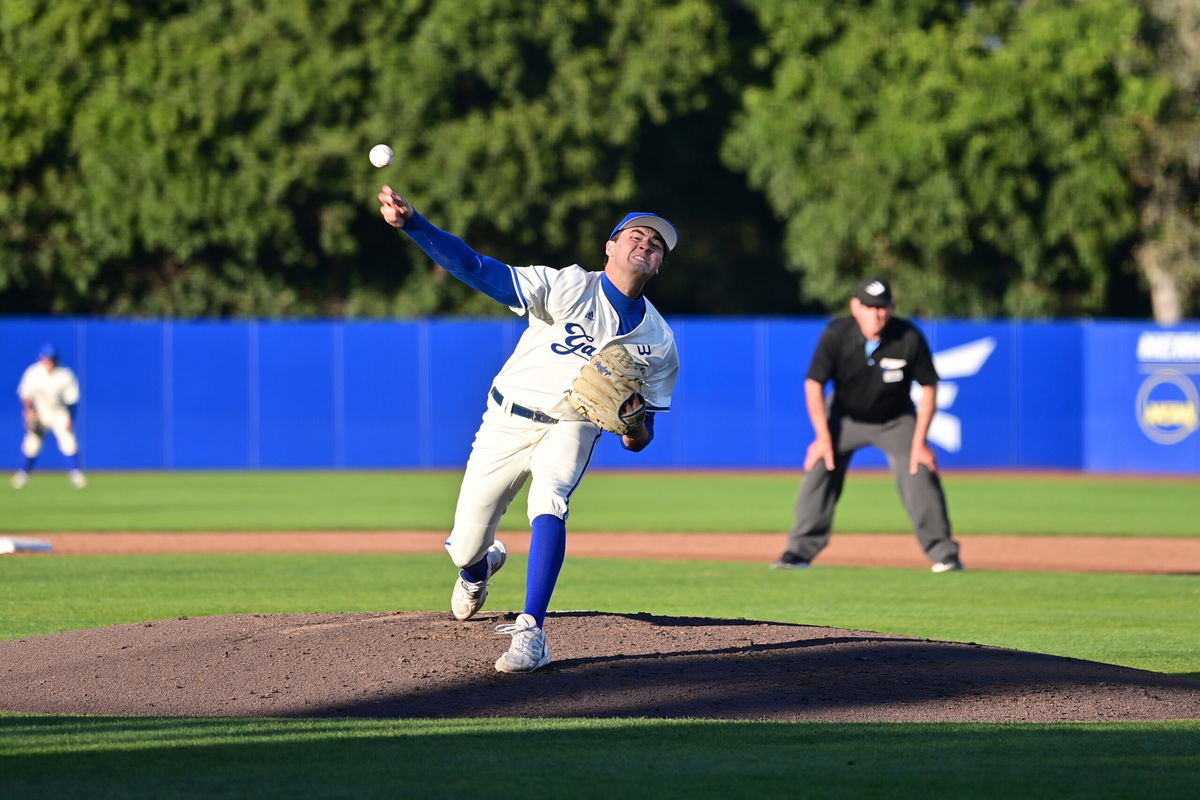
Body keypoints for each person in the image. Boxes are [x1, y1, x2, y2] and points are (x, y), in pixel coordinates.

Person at [378, 185, 680, 673]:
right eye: (636, 236)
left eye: (657, 244)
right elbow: (478, 268)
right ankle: (479, 569)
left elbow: (641, 435)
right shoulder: (568, 287)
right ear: (611, 246)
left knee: (551, 499)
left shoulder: (658, 342)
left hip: (573, 423)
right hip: (506, 420)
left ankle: (531, 632)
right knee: (465, 546)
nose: (646, 245)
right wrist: (414, 224)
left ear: (660, 264)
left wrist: (631, 425)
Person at [773, 277, 962, 573]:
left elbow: (929, 387)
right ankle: (798, 552)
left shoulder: (907, 336)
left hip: (896, 420)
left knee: (919, 469)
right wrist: (822, 438)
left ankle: (944, 553)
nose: (876, 314)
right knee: (820, 468)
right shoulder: (837, 333)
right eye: (868, 306)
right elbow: (814, 384)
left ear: (892, 308)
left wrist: (921, 442)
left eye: (882, 307)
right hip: (844, 417)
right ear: (855, 307)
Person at [12, 343, 86, 489]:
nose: (49, 361)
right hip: (40, 411)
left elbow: (72, 400)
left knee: (68, 442)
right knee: (32, 443)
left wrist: (71, 418)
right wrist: (28, 411)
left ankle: (76, 474)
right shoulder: (34, 372)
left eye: (51, 359)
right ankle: (23, 474)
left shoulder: (65, 375)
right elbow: (25, 395)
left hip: (59, 412)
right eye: (46, 358)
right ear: (41, 358)